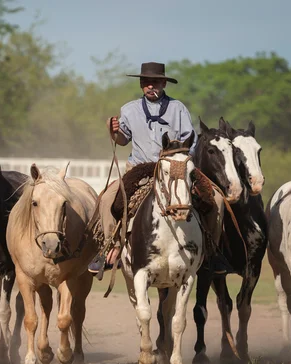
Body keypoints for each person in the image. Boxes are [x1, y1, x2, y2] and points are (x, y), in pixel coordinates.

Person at [89, 62, 221, 277]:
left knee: (214, 199)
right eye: (147, 82)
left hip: (174, 168)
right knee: (106, 200)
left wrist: (179, 160)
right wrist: (113, 131)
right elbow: (122, 140)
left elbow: (192, 142)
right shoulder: (129, 109)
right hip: (140, 169)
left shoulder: (178, 108)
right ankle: (109, 248)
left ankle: (211, 252)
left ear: (163, 83)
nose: (151, 86)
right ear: (141, 84)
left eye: (156, 82)